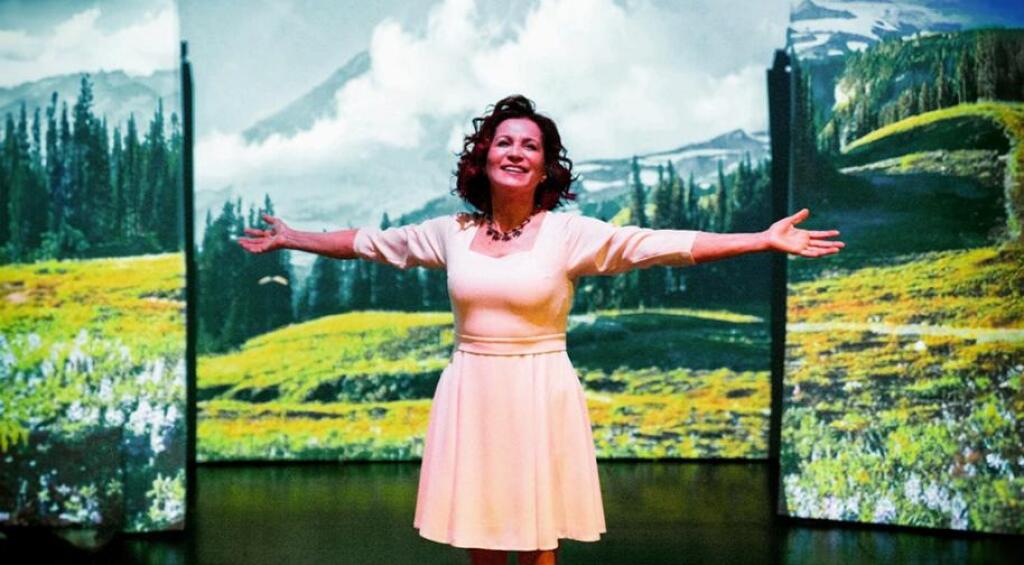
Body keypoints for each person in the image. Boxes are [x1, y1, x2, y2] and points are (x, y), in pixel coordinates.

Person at [238, 95, 843, 565]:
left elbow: (659, 245)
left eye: (530, 145)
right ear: (483, 157)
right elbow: (369, 243)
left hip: (539, 389)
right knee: (479, 533)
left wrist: (761, 239)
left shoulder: (567, 233)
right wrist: (293, 237)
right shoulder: (452, 232)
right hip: (473, 388)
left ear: (544, 167)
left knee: (535, 539)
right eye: (504, 141)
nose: (516, 152)